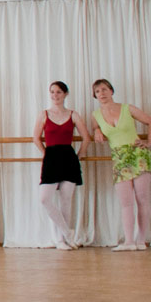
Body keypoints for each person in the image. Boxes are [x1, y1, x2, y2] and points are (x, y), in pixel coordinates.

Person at [91, 79, 151, 251]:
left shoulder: (127, 108)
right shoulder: (95, 115)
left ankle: (141, 240)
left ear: (112, 91)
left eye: (104, 89)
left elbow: (150, 121)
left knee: (142, 199)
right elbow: (95, 128)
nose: (102, 94)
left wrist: (148, 142)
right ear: (95, 96)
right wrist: (96, 130)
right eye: (97, 91)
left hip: (138, 154)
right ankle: (129, 241)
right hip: (119, 157)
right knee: (125, 201)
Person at [32, 81, 91, 250]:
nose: (55, 95)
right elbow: (35, 137)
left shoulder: (74, 115)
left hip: (68, 158)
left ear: (65, 94)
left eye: (58, 92)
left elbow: (86, 137)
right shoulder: (43, 114)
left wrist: (79, 155)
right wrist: (45, 153)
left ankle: (64, 241)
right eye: (52, 92)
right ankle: (66, 233)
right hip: (51, 158)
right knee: (44, 198)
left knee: (66, 201)